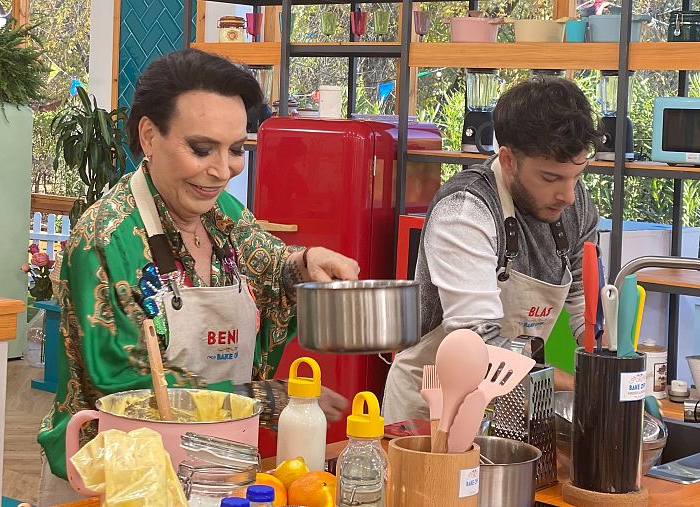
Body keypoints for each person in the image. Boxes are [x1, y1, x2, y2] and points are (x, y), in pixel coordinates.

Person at [37, 48, 358, 503]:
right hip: (114, 484)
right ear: (149, 136)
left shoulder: (221, 215)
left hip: (216, 475)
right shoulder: (105, 238)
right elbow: (128, 391)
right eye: (202, 149)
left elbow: (268, 261)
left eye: (236, 150)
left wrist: (305, 263)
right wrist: (262, 398)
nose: (221, 170)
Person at [382, 77, 603, 424]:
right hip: (433, 412)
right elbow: (475, 347)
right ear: (509, 159)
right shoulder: (465, 211)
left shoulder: (575, 206)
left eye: (576, 175)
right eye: (550, 178)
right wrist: (577, 386)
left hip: (514, 406)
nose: (569, 195)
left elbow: (583, 304)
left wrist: (610, 362)